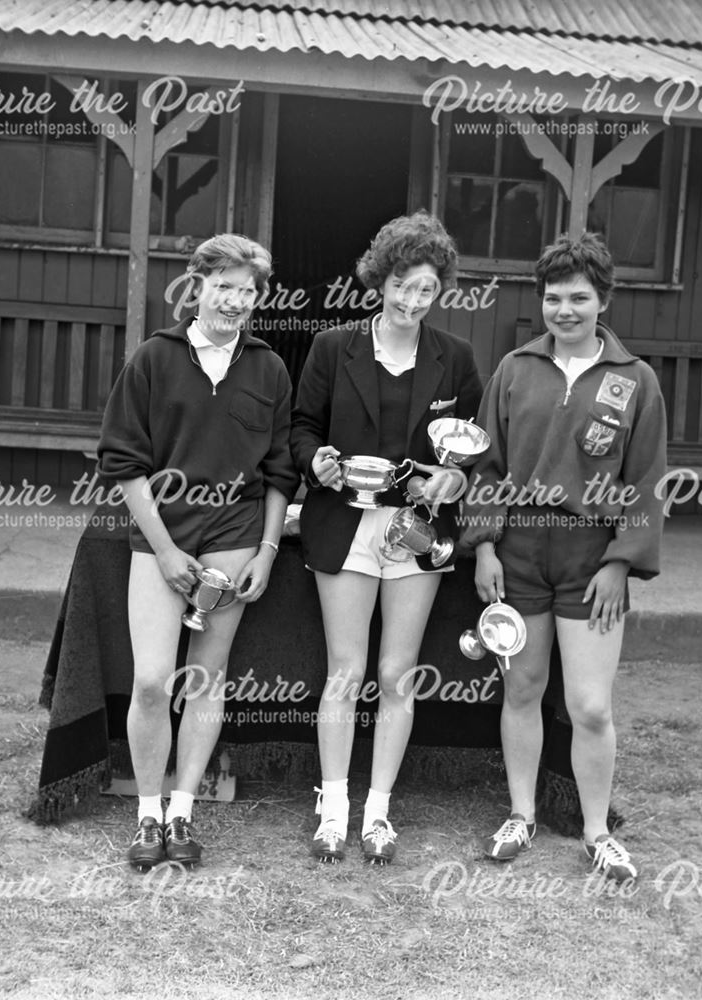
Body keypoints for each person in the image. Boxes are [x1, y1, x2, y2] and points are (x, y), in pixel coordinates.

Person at [462, 232, 667, 882]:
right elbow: (485, 466)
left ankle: (596, 830)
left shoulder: (634, 381)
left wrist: (619, 561)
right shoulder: (514, 369)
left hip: (590, 557)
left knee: (589, 705)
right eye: (553, 297)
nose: (564, 310)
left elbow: (644, 481)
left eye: (578, 297)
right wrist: (485, 543)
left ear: (602, 298)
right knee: (521, 688)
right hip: (518, 550)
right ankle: (520, 814)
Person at [96, 234, 299, 870]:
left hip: (236, 537)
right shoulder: (154, 358)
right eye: (225, 287)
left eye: (249, 291)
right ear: (197, 287)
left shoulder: (268, 367)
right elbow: (124, 462)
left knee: (207, 679)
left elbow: (279, 472)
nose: (237, 301)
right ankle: (147, 815)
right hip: (164, 535)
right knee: (154, 681)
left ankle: (183, 811)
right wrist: (163, 552)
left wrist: (266, 552)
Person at [290, 211, 483, 863]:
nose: (410, 300)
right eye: (402, 283)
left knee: (396, 676)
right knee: (344, 674)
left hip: (418, 532)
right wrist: (313, 462)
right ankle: (332, 808)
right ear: (380, 278)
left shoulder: (453, 359)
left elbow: (471, 451)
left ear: (438, 290)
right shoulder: (329, 347)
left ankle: (377, 814)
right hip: (344, 523)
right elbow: (301, 429)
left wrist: (452, 484)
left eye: (425, 288)